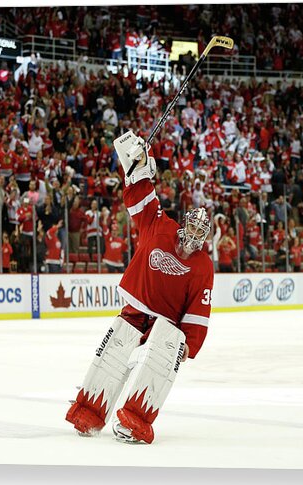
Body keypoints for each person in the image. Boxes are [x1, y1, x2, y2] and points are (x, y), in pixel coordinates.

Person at [66, 131, 214, 445]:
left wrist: (188, 343)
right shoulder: (159, 224)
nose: (195, 235)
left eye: (202, 231)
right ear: (183, 222)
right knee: (113, 353)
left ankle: (136, 418)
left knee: (161, 360)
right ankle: (89, 410)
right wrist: (140, 165)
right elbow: (140, 196)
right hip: (137, 309)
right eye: (192, 226)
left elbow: (200, 308)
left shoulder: (203, 265)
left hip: (167, 325)